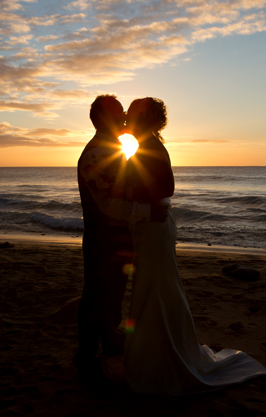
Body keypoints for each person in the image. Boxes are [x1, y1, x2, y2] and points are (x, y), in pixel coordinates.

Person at [123, 97, 266, 394]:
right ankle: (156, 358)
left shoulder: (149, 146)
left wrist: (135, 198)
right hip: (151, 227)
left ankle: (162, 364)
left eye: (132, 110)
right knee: (154, 292)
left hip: (154, 229)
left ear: (146, 117)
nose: (126, 114)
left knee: (156, 293)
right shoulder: (146, 145)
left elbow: (166, 187)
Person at [73, 95, 167, 387]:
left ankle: (110, 341)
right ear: (102, 119)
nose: (125, 119)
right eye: (119, 114)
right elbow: (108, 203)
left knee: (112, 295)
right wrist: (149, 211)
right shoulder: (96, 155)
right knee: (97, 296)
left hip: (116, 238)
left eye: (125, 113)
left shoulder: (110, 149)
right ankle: (85, 358)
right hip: (104, 239)